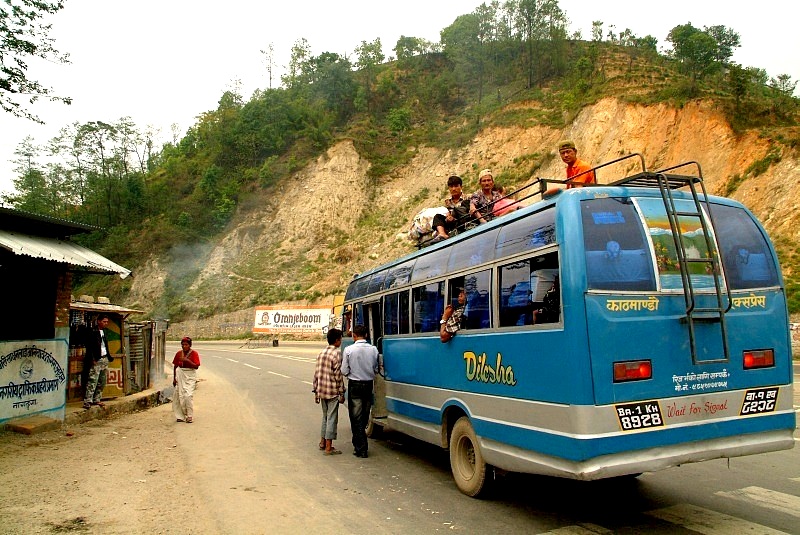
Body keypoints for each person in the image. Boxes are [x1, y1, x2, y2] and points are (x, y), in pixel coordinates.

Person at [341, 324, 379, 458]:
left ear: (354, 336)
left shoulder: (349, 350)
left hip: (355, 385)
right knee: (364, 415)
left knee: (355, 417)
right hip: (368, 385)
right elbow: (376, 369)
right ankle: (360, 445)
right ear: (367, 335)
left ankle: (361, 448)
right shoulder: (374, 349)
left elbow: (344, 370)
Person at [312, 328, 346, 455]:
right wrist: (341, 392)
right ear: (337, 341)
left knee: (325, 417)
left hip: (321, 390)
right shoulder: (336, 354)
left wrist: (315, 391)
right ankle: (328, 447)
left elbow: (316, 374)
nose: (341, 341)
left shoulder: (321, 353)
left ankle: (322, 442)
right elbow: (338, 376)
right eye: (340, 339)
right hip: (332, 391)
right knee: (332, 418)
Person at [82, 314, 113, 409]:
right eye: (104, 321)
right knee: (93, 380)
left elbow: (105, 345)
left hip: (104, 358)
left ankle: (97, 399)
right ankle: (87, 400)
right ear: (99, 321)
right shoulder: (92, 332)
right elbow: (90, 347)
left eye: (107, 322)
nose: (106, 323)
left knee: (102, 381)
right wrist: (93, 359)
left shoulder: (104, 332)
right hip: (96, 359)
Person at [431, 175, 473, 242]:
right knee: (437, 217)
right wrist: (448, 218)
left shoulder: (469, 197)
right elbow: (447, 214)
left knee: (458, 208)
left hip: (465, 220)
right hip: (453, 224)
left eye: (456, 186)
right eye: (451, 187)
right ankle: (443, 234)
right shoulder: (447, 202)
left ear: (461, 187)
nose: (454, 189)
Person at [172, 336, 201, 423]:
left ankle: (189, 415)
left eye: (186, 344)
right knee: (178, 396)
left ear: (190, 345)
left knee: (188, 395)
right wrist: (174, 378)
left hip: (190, 376)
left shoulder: (194, 354)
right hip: (180, 375)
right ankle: (180, 416)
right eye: (183, 344)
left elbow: (196, 366)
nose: (184, 346)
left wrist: (187, 360)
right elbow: (175, 366)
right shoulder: (178, 354)